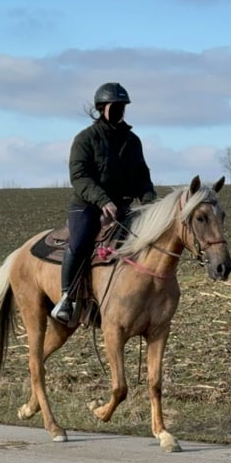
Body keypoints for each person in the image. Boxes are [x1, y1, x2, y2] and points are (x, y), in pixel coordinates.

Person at [51, 82, 157, 324]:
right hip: (88, 205)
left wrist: (151, 204)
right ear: (102, 108)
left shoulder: (132, 141)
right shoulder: (85, 139)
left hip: (123, 207)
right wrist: (102, 199)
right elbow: (79, 177)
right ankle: (67, 297)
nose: (120, 110)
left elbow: (143, 177)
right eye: (115, 106)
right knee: (79, 243)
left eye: (123, 107)